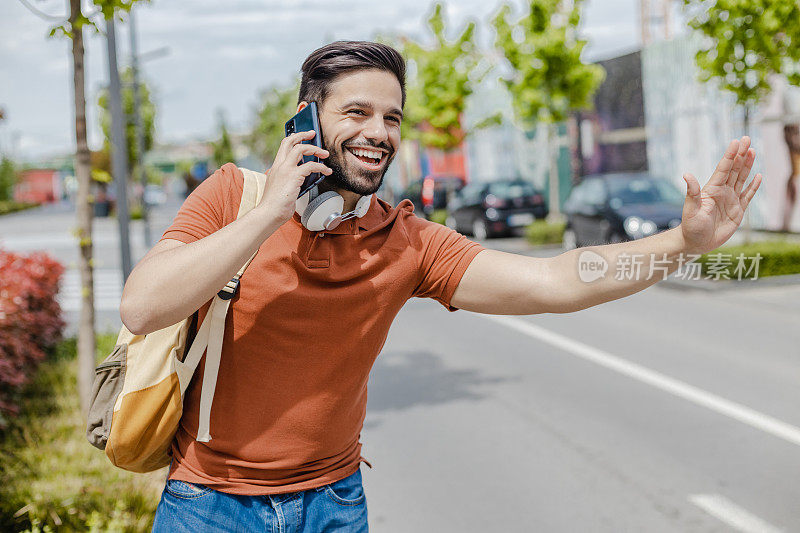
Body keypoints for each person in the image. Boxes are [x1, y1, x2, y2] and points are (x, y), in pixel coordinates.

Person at [119, 41, 762, 532]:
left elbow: (556, 279)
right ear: (306, 119)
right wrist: (268, 214)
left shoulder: (408, 241)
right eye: (357, 112)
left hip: (336, 504)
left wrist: (682, 244)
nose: (378, 132)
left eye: (392, 117)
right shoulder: (235, 195)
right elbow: (143, 305)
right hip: (209, 505)